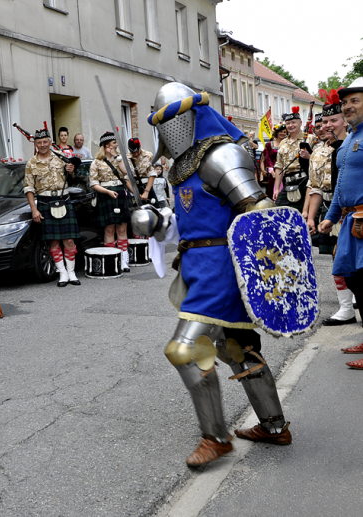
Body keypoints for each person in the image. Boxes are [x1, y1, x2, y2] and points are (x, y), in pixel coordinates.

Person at [135, 82, 291, 468]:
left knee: (184, 350)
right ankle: (274, 427)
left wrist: (268, 275)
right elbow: (193, 222)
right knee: (235, 349)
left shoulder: (222, 156)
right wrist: (157, 221)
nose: (169, 130)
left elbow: (259, 213)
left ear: (192, 115)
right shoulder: (184, 165)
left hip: (223, 270)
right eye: (162, 123)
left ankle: (216, 438)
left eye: (174, 120)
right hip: (197, 267)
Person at [319, 77, 363, 368]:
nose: (347, 106)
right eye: (345, 102)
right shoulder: (349, 139)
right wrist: (330, 217)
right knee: (356, 280)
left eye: (354, 101)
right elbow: (340, 187)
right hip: (350, 221)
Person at [309, 93, 355, 326]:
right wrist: (322, 216)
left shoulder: (352, 142)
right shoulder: (333, 147)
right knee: (341, 264)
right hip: (340, 211)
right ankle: (347, 308)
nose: (327, 125)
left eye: (332, 121)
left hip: (356, 213)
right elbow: (322, 186)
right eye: (324, 122)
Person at [25, 127, 81, 287]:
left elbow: (72, 178)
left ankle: (71, 272)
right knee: (53, 242)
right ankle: (62, 273)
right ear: (35, 144)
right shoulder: (31, 163)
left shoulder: (61, 158)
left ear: (50, 142)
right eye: (39, 142)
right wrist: (34, 209)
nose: (42, 145)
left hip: (63, 200)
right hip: (44, 203)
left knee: (69, 240)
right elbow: (29, 188)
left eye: (45, 142)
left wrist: (71, 171)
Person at [88, 132, 134, 271]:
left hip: (121, 193)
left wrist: (118, 158)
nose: (117, 145)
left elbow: (127, 172)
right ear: (107, 146)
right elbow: (93, 184)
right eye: (114, 143)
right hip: (105, 195)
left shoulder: (121, 158)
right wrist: (107, 191)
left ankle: (124, 261)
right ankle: (111, 260)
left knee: (122, 229)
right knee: (109, 230)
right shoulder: (96, 162)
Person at [273, 107, 318, 208]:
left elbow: (320, 161)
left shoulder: (311, 139)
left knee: (304, 214)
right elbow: (279, 166)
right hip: (288, 182)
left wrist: (309, 156)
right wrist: (277, 189)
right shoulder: (283, 143)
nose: (290, 125)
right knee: (280, 211)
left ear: (300, 123)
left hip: (305, 181)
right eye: (288, 123)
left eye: (293, 122)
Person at [126, 138, 157, 203]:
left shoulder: (148, 155)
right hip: (133, 188)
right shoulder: (126, 158)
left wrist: (146, 192)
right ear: (129, 150)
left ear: (140, 147)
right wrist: (135, 193)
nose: (136, 154)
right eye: (133, 152)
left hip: (147, 187)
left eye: (137, 152)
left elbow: (152, 174)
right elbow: (126, 178)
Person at [261, 123, 287, 199]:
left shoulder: (287, 144)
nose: (283, 133)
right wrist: (272, 171)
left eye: (285, 132)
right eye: (281, 131)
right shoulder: (269, 144)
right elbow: (268, 159)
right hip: (273, 172)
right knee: (272, 192)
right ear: (277, 132)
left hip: (285, 171)